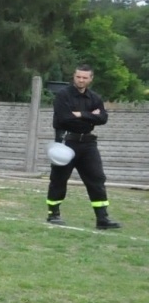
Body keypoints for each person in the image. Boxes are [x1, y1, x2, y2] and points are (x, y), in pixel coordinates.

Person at [46, 64, 121, 229]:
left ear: (90, 79)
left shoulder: (94, 98)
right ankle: (53, 214)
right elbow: (64, 118)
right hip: (67, 142)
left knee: (97, 179)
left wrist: (80, 114)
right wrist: (90, 117)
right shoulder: (63, 96)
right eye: (78, 77)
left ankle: (102, 219)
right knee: (59, 179)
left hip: (88, 144)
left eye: (85, 78)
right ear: (74, 77)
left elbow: (103, 118)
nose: (81, 80)